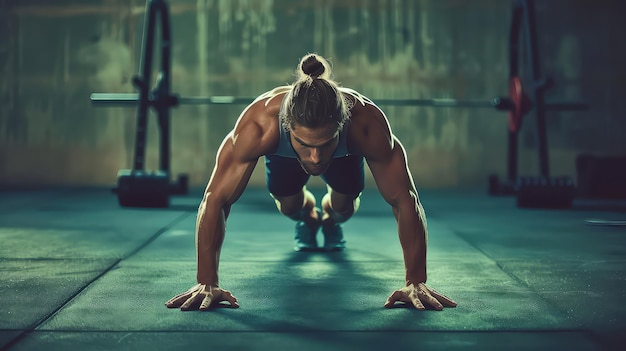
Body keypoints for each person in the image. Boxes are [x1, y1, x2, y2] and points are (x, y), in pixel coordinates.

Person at [165, 53, 457, 311]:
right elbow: (215, 199)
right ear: (287, 126)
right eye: (305, 144)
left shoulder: (366, 124)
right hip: (283, 157)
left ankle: (329, 217)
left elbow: (406, 200)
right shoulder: (259, 125)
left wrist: (416, 281)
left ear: (341, 126)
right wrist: (206, 282)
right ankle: (309, 216)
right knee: (290, 207)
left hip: (344, 157)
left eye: (325, 143)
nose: (315, 158)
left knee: (343, 209)